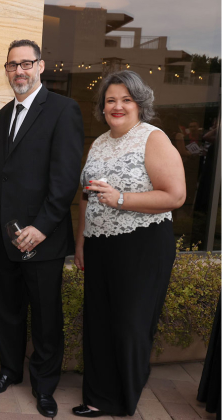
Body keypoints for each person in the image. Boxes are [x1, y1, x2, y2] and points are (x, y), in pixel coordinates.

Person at [73, 70, 186, 417]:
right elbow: (85, 198)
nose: (117, 106)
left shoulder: (153, 138)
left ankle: (122, 400)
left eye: (126, 100)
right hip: (99, 245)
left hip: (142, 246)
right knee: (99, 322)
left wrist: (121, 198)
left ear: (139, 104)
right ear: (102, 107)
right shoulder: (99, 142)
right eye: (110, 100)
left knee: (129, 325)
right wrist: (80, 243)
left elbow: (175, 195)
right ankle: (95, 396)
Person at [0, 39, 84, 419]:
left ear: (41, 66)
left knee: (45, 317)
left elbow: (64, 178)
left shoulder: (63, 109)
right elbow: (5, 177)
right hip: (6, 236)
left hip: (43, 238)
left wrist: (41, 228)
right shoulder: (5, 113)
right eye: (12, 65)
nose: (19, 71)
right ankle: (10, 370)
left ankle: (44, 386)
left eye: (26, 64)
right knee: (8, 311)